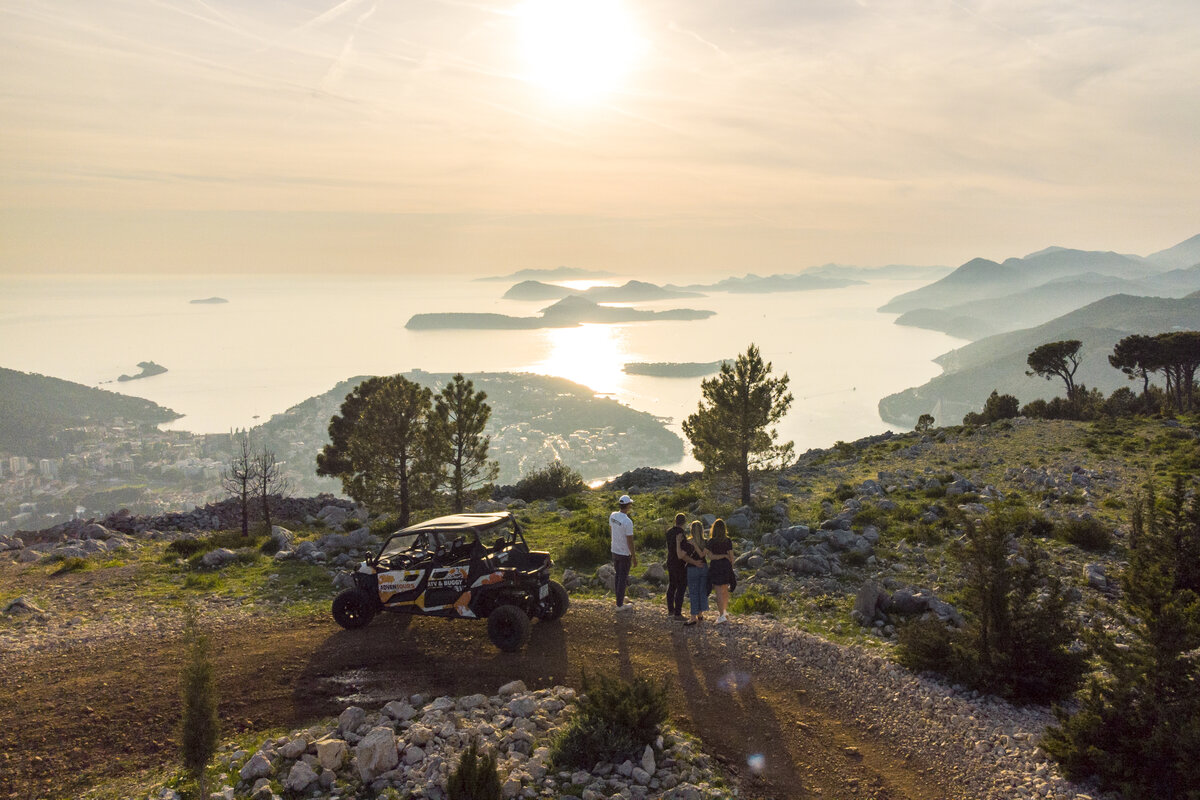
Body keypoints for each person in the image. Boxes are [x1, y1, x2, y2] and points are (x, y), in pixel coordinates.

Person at [609, 494, 637, 611]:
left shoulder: (613, 515)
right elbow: (630, 541)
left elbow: (611, 529)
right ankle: (620, 604)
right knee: (622, 577)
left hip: (614, 550)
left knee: (618, 576)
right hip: (624, 553)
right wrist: (634, 557)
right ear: (628, 505)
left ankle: (619, 599)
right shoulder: (627, 522)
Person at [678, 520, 709, 626]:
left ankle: (693, 617)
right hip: (704, 567)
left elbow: (681, 555)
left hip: (692, 568)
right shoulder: (706, 542)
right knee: (701, 591)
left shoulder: (689, 542)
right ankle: (700, 614)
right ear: (702, 530)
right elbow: (703, 555)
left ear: (691, 530)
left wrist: (678, 543)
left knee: (693, 592)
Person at [706, 518, 736, 623]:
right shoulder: (727, 541)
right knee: (725, 590)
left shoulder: (711, 541)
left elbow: (711, 556)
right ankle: (724, 611)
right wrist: (726, 558)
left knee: (718, 591)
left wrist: (720, 556)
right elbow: (731, 557)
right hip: (726, 567)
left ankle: (721, 615)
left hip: (716, 567)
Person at [664, 512, 687, 620]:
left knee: (672, 585)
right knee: (681, 587)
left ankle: (670, 610)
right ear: (684, 522)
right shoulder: (681, 534)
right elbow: (683, 550)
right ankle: (678, 612)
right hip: (679, 563)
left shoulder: (669, 532)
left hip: (670, 560)